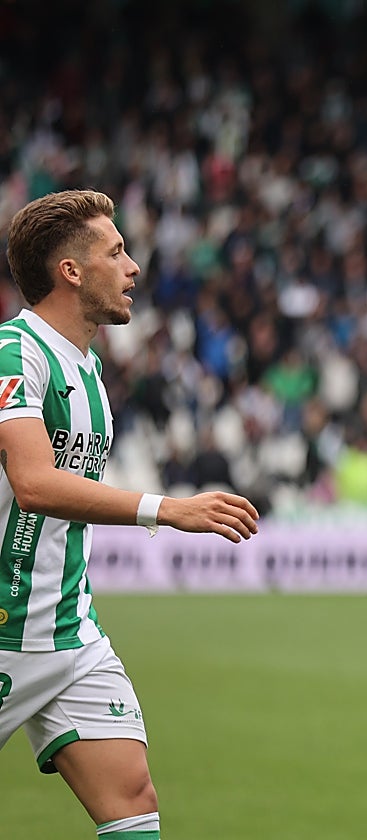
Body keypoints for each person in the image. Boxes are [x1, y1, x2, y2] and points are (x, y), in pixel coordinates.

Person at [0, 189, 260, 839]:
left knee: (133, 802)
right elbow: (33, 485)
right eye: (116, 252)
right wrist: (166, 510)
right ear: (71, 271)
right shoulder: (15, 354)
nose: (133, 266)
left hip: (68, 634)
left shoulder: (87, 370)